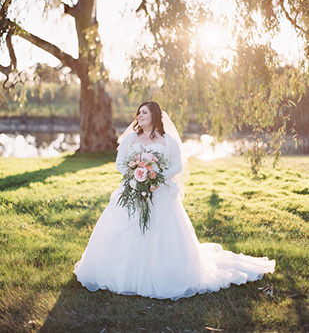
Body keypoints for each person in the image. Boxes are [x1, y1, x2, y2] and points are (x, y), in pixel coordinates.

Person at [74, 101, 275, 300]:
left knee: (161, 233)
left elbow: (177, 166)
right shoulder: (130, 139)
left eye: (144, 113)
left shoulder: (167, 140)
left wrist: (155, 175)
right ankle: (121, 272)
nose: (140, 116)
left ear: (154, 116)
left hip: (160, 193)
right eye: (138, 113)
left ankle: (163, 274)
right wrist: (136, 174)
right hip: (133, 190)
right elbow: (119, 164)